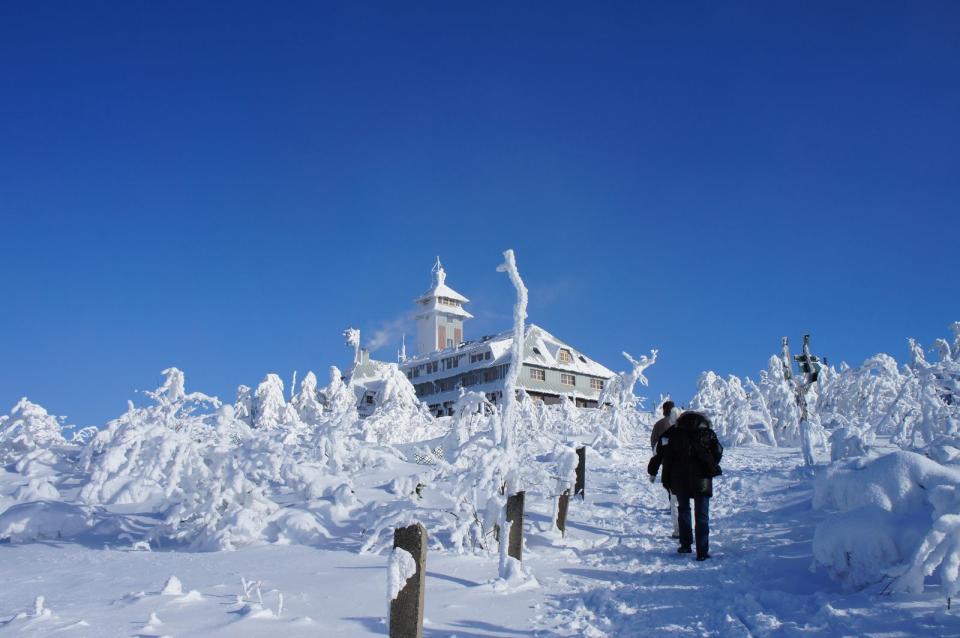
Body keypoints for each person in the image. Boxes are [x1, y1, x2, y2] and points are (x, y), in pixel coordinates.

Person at [650, 411, 723, 561]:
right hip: (702, 478)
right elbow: (718, 451)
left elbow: (664, 455)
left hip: (679, 479)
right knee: (702, 515)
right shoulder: (707, 432)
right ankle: (702, 552)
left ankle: (685, 545)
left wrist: (660, 475)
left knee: (683, 511)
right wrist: (711, 464)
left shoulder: (674, 433)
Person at [647, 401, 680, 538]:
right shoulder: (680, 422)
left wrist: (656, 454)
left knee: (670, 484)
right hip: (680, 462)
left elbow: (654, 440)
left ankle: (672, 504)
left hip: (665, 459)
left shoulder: (659, 424)